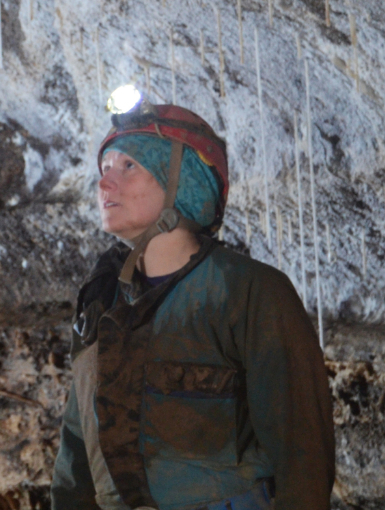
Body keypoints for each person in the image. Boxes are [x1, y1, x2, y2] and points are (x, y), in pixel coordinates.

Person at [51, 91, 334, 510]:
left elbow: (302, 452)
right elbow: (76, 453)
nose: (105, 182)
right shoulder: (101, 302)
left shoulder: (248, 292)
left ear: (181, 182)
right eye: (105, 167)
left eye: (130, 166)